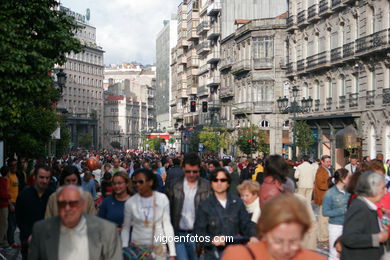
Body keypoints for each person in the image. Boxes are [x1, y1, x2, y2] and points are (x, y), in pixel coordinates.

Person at [29, 185, 122, 260]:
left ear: (82, 205)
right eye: (62, 204)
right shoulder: (40, 230)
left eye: (73, 203)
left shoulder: (107, 231)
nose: (67, 208)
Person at [222, 194, 326, 260]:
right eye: (278, 241)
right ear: (264, 233)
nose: (285, 249)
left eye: (293, 242)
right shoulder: (239, 256)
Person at [194, 168, 257, 259]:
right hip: (213, 254)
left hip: (234, 252)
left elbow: (246, 224)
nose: (219, 183)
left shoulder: (237, 203)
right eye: (215, 180)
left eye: (223, 180)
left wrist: (253, 236)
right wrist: (212, 239)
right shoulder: (205, 205)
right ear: (211, 183)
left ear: (228, 183)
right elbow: (198, 233)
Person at [164, 153, 211, 260]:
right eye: (188, 171)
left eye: (195, 171)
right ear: (183, 168)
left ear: (199, 169)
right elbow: (166, 213)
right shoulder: (174, 186)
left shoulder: (207, 187)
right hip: (178, 234)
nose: (191, 174)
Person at [121, 169, 176, 260]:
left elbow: (167, 225)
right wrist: (124, 249)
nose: (137, 184)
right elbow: (126, 228)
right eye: (135, 182)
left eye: (141, 182)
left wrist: (172, 252)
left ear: (150, 182)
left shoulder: (162, 199)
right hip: (136, 249)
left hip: (158, 248)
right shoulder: (130, 202)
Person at [341, 172, 388, 260]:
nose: (386, 191)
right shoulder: (359, 207)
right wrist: (378, 238)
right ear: (373, 189)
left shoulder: (367, 206)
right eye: (383, 188)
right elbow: (349, 238)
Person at [16, 165, 54, 260]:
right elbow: (19, 218)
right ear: (34, 177)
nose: (44, 181)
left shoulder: (53, 196)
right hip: (28, 244)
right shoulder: (24, 195)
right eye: (41, 177)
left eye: (47, 178)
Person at [322, 168, 351, 260]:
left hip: (348, 225)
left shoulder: (349, 192)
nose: (350, 178)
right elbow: (325, 212)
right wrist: (342, 211)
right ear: (342, 179)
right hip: (335, 226)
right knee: (334, 253)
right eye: (348, 177)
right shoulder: (330, 193)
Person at [314, 155, 332, 242]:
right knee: (323, 218)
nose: (329, 163)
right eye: (327, 162)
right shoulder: (321, 171)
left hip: (326, 196)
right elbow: (320, 184)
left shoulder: (326, 170)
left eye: (329, 161)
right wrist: (331, 186)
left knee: (324, 217)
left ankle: (321, 235)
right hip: (323, 196)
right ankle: (323, 236)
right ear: (322, 161)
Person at [6, 158, 19, 248]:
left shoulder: (15, 176)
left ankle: (11, 241)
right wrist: (10, 203)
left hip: (16, 202)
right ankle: (10, 242)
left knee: (14, 223)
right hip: (11, 203)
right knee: (11, 223)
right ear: (9, 167)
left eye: (16, 165)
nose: (15, 167)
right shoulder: (8, 177)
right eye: (13, 165)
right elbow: (6, 191)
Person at [0, 166, 10, 248]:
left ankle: (4, 240)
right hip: (3, 205)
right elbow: (3, 194)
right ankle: (1, 240)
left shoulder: (3, 180)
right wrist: (9, 196)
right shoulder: (3, 181)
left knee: (4, 223)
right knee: (4, 223)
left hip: (3, 204)